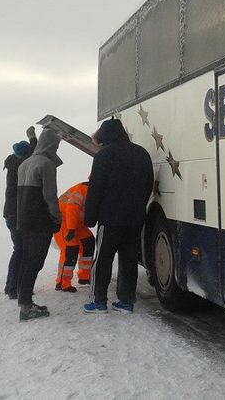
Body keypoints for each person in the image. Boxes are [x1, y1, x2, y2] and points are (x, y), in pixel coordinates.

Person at [83, 118, 153, 314]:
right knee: (129, 260)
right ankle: (126, 301)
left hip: (110, 219)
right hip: (135, 219)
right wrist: (139, 206)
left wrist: (89, 218)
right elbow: (149, 184)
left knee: (103, 260)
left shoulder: (104, 155)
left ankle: (98, 301)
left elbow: (95, 189)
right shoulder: (141, 153)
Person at [16, 128, 62, 321]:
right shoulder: (46, 164)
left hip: (24, 220)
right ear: (52, 144)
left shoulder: (24, 163)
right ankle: (26, 307)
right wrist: (57, 217)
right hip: (40, 221)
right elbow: (50, 196)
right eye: (57, 144)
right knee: (35, 261)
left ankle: (23, 298)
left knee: (27, 259)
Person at [3, 126, 38, 299]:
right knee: (22, 250)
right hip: (16, 214)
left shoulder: (12, 163)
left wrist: (32, 138)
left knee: (19, 249)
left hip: (11, 214)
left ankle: (11, 285)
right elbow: (34, 153)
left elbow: (32, 152)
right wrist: (32, 137)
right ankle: (15, 288)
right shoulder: (20, 166)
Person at [53, 181, 95, 293]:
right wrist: (71, 229)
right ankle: (62, 283)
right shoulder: (83, 189)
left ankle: (84, 277)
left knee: (88, 242)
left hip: (76, 222)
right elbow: (72, 208)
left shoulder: (97, 191)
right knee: (70, 249)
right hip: (63, 221)